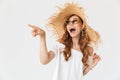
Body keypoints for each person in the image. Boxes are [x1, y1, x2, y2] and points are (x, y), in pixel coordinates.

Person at [28, 2, 101, 80]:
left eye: (75, 21)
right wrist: (42, 36)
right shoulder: (60, 45)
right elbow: (44, 61)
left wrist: (90, 66)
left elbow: (80, 73)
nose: (70, 25)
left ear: (82, 25)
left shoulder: (89, 49)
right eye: (68, 22)